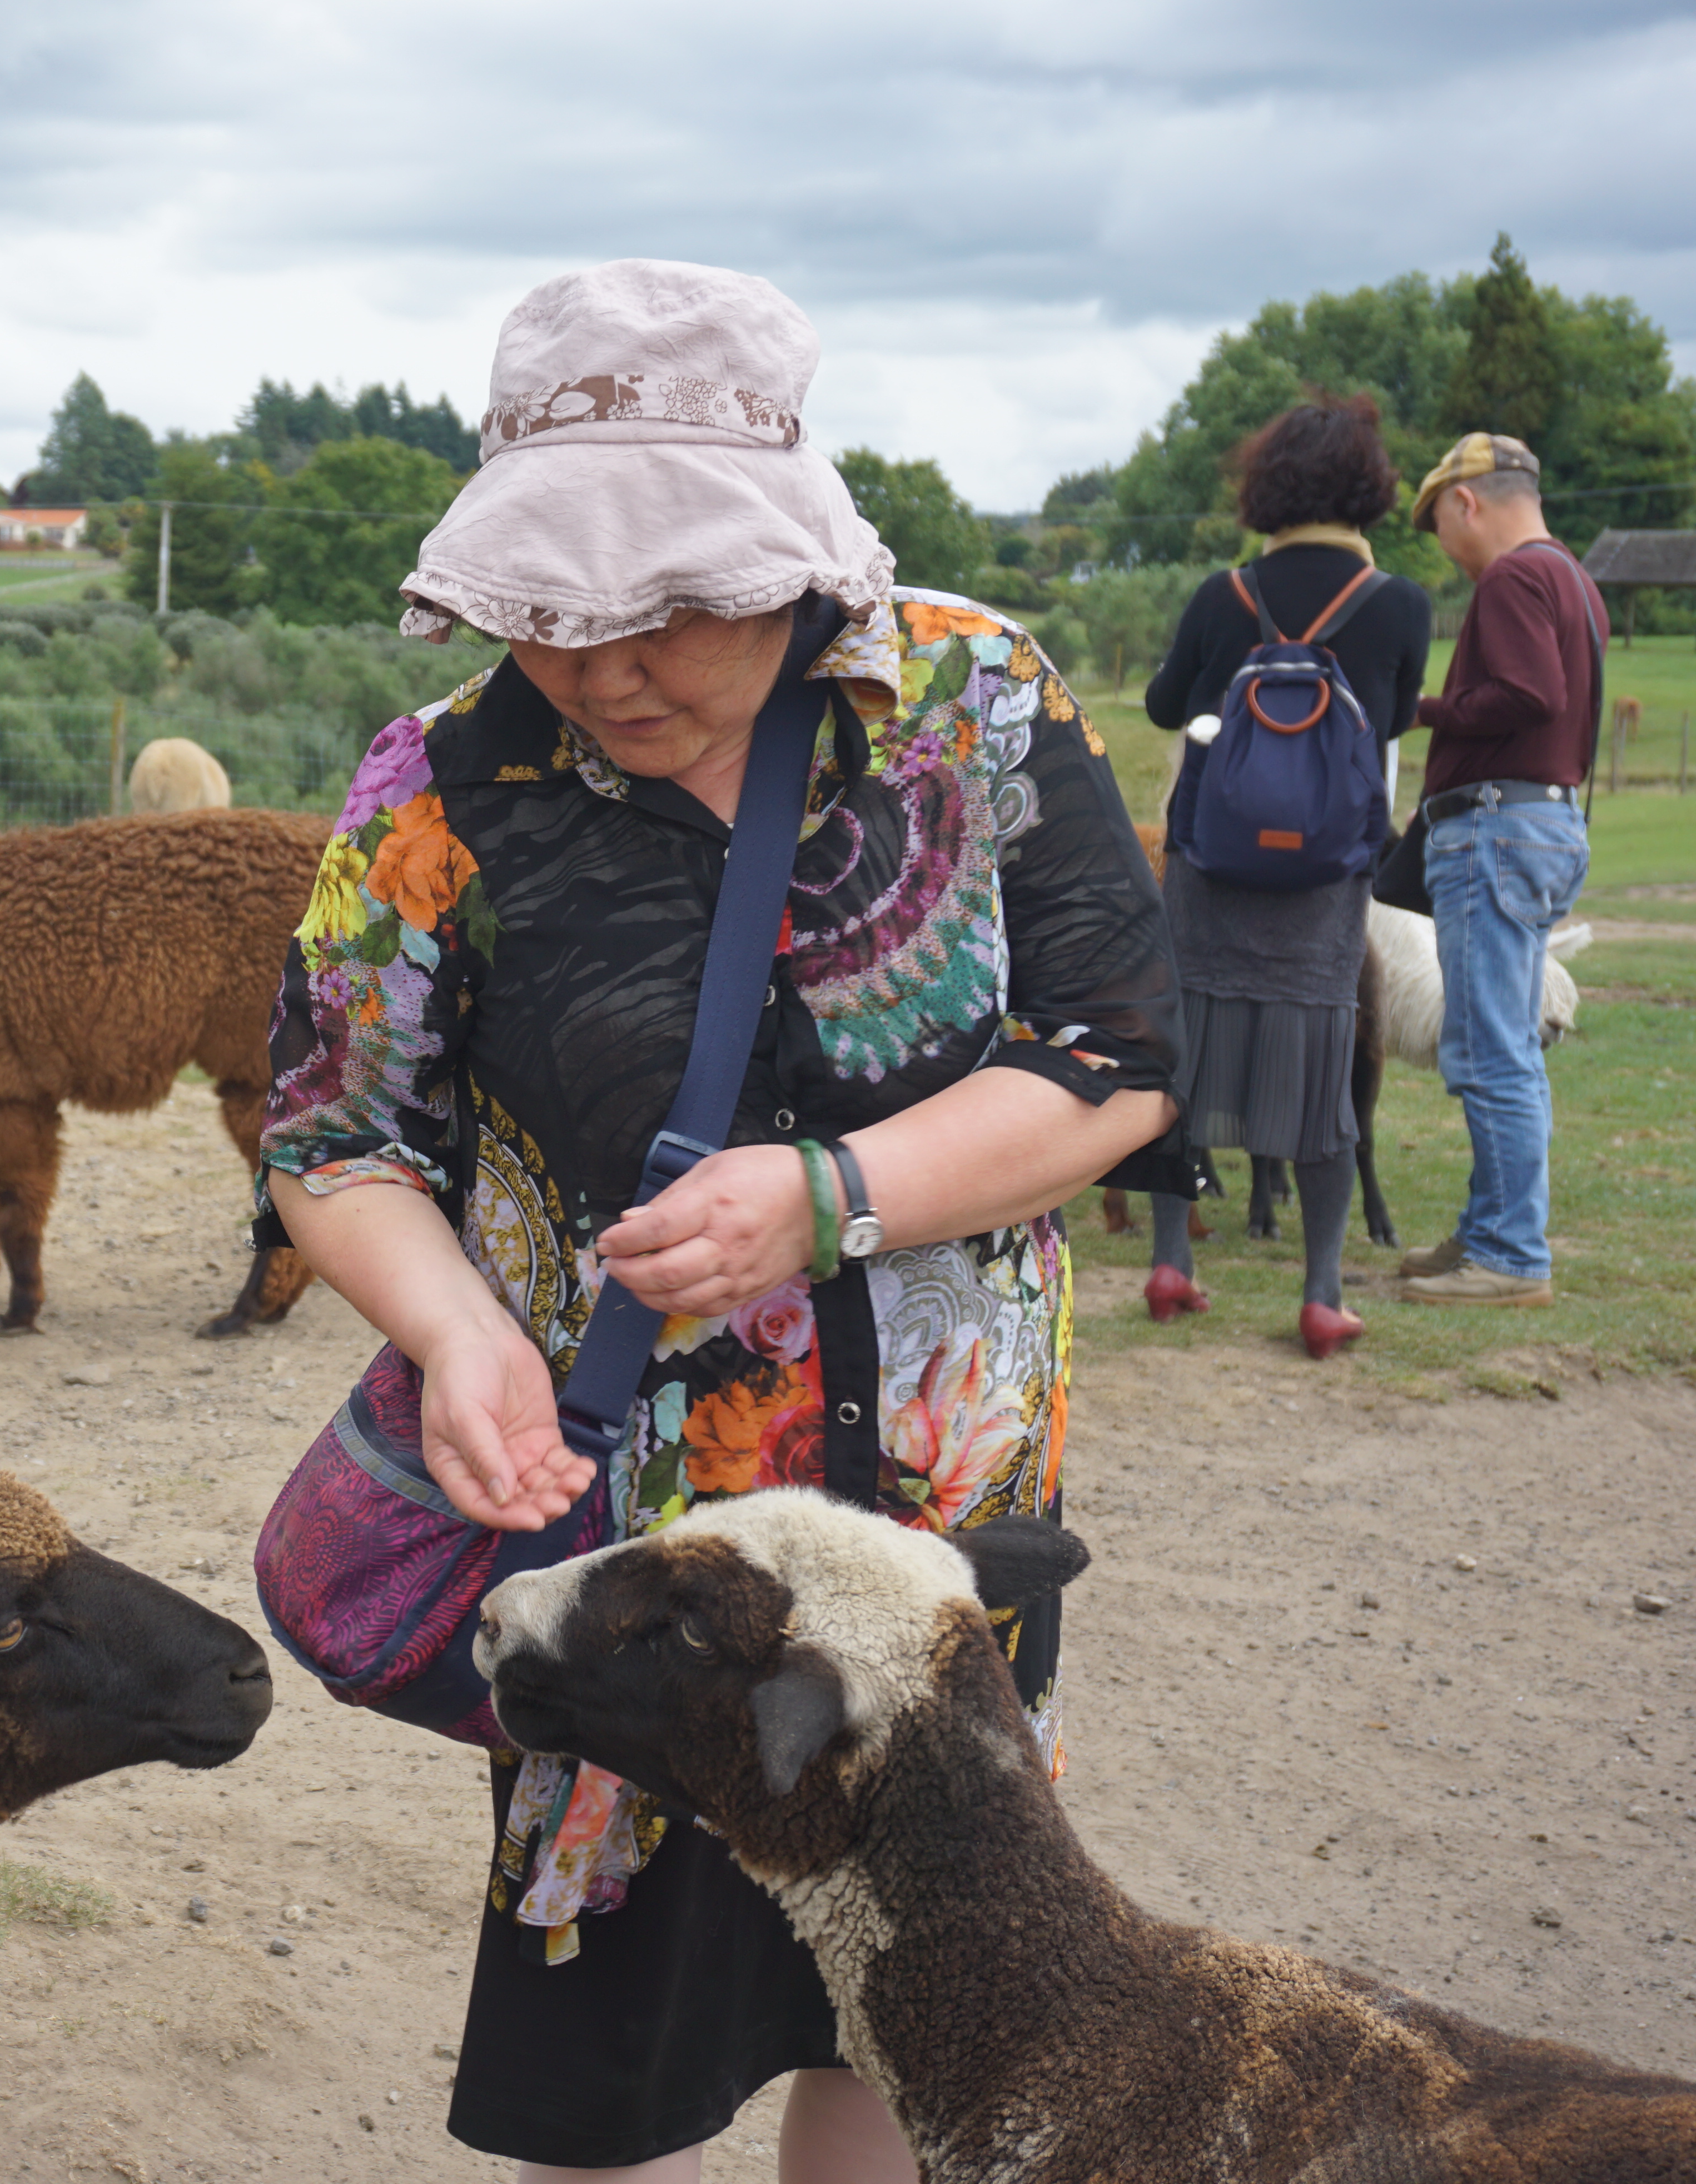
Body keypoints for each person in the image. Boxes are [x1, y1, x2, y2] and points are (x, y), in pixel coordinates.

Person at [255, 261, 1179, 2184]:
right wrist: (455, 1331)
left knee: (913, 2002)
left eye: (673, 606)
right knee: (611, 2043)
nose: (605, 668)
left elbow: (1121, 1055)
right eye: (552, 610)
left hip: (944, 1526)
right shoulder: (443, 782)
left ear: (794, 557)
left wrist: (834, 1202)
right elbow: (333, 1133)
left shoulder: (973, 702)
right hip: (639, 1550)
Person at [1136, 396, 1430, 1356]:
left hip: (1209, 875)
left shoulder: (1224, 597)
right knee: (1321, 1082)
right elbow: (1381, 728)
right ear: (1369, 490)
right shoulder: (1397, 606)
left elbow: (1163, 705)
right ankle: (1321, 1291)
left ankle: (1174, 1263)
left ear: (1266, 488)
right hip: (1321, 891)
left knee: (1186, 1058)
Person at [1389, 433, 1603, 1307]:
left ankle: (1511, 1255)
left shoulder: (1513, 577)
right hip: (1543, 820)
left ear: (1467, 501)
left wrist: (1417, 709)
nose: (1443, 539)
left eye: (1438, 519)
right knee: (1507, 1046)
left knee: (1488, 1052)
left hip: (1496, 828)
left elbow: (1528, 694)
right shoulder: (1573, 578)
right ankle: (1490, 1229)